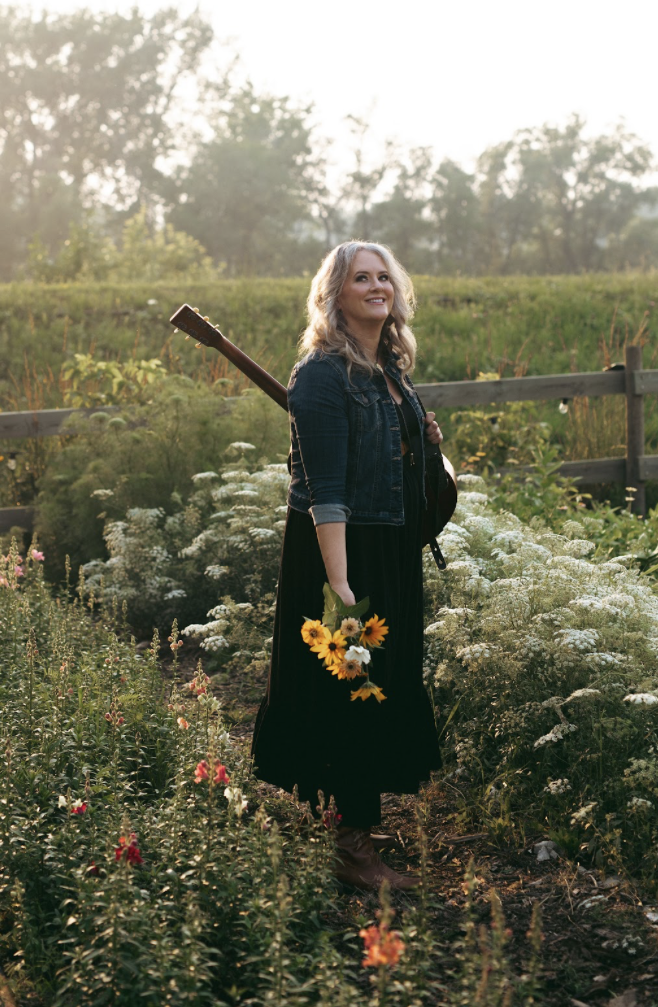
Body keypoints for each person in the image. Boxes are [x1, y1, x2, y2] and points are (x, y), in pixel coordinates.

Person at [251, 240, 444, 890]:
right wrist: (340, 586)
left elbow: (398, 468)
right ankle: (350, 845)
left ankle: (351, 818)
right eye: (360, 277)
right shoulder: (323, 375)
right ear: (334, 295)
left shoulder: (389, 368)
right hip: (342, 551)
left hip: (388, 547)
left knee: (380, 683)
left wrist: (420, 437)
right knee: (352, 694)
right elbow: (324, 490)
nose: (376, 286)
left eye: (383, 276)